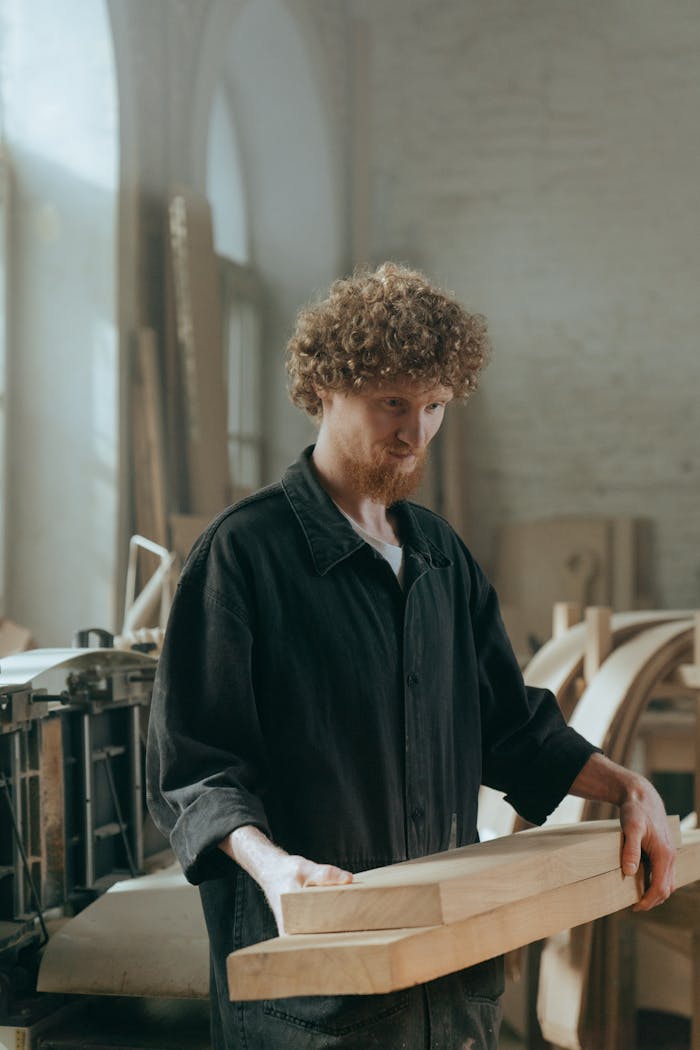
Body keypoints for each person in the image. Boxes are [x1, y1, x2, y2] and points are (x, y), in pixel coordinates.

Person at [146, 262, 676, 1050]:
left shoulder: (439, 555)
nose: (415, 431)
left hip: (450, 989)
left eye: (433, 407)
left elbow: (510, 728)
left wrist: (629, 785)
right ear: (325, 387)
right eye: (392, 402)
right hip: (312, 999)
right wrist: (276, 868)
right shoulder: (242, 555)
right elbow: (197, 770)